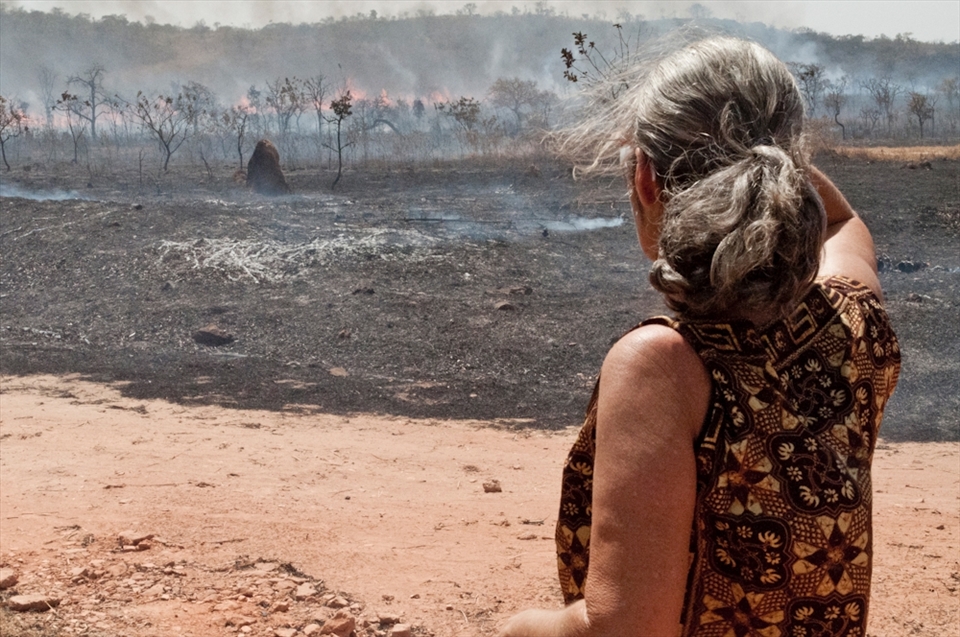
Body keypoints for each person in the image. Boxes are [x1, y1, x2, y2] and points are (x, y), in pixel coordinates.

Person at [499, 36, 901, 636]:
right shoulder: (850, 325)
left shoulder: (661, 368)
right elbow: (843, 222)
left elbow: (625, 630)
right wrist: (770, 156)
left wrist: (519, 629)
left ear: (645, 180)